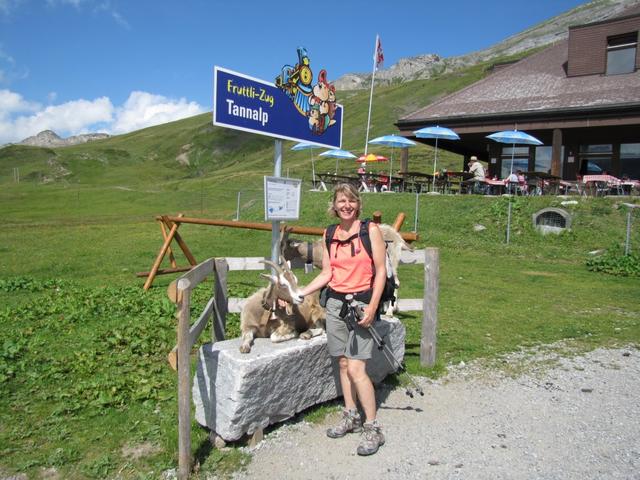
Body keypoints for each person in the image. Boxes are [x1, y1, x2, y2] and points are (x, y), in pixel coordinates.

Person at [299, 183, 386, 456]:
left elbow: (381, 271)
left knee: (357, 368)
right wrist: (300, 293)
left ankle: (373, 428)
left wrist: (372, 307)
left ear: (358, 204)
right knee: (343, 363)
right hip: (335, 305)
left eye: (351, 200)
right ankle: (351, 416)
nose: (346, 205)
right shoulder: (329, 233)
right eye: (341, 201)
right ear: (334, 206)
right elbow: (327, 273)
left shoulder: (370, 230)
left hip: (361, 305)